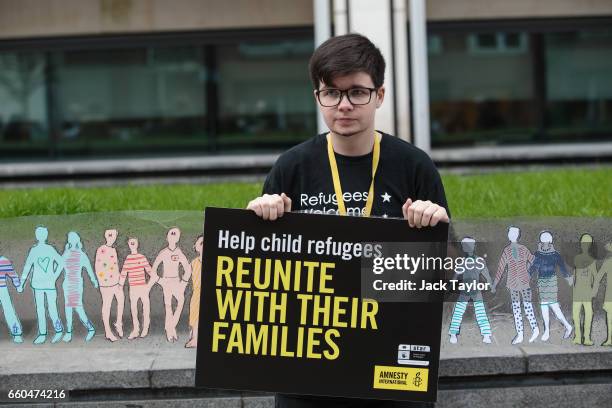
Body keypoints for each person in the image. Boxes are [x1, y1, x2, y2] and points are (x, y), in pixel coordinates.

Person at [246, 33, 449, 408]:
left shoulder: (413, 165)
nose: (344, 105)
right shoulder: (292, 167)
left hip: (389, 364)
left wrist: (438, 228)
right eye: (332, 93)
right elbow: (263, 278)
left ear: (380, 95)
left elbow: (440, 277)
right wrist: (259, 225)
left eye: (357, 92)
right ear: (317, 97)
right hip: (307, 369)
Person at [491, 226, 539, 344]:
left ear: (517, 235)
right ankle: (520, 334)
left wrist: (528, 271)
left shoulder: (523, 249)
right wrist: (495, 284)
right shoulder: (507, 251)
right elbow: (501, 268)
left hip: (523, 282)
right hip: (513, 283)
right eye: (510, 233)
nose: (511, 235)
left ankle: (535, 329)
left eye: (513, 233)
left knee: (527, 307)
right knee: (517, 309)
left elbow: (534, 261)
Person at [19, 226, 64, 344]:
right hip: (37, 285)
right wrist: (22, 282)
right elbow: (28, 267)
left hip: (49, 284)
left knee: (52, 308)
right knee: (40, 309)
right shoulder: (34, 250)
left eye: (41, 234)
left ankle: (58, 330)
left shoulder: (50, 249)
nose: (40, 236)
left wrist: (54, 276)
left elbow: (61, 262)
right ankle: (42, 333)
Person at [528, 231, 573, 342]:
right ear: (541, 242)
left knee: (552, 306)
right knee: (546, 305)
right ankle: (549, 330)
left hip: (551, 282)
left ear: (550, 242)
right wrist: (526, 276)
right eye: (544, 242)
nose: (545, 244)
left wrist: (568, 278)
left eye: (547, 242)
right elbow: (533, 268)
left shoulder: (555, 255)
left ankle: (564, 327)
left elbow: (562, 268)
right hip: (541, 282)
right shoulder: (537, 254)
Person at [151, 227, 192, 343]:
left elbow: (188, 269)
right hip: (166, 282)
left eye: (175, 235)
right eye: (171, 234)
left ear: (178, 238)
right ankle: (170, 332)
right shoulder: (163, 253)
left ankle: (170, 326)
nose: (173, 236)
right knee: (168, 307)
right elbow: (153, 270)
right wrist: (160, 280)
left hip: (176, 282)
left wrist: (183, 283)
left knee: (181, 301)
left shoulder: (179, 253)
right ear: (167, 237)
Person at [60, 231, 98, 342]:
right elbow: (59, 269)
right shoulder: (65, 254)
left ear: (77, 240)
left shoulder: (81, 255)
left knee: (78, 307)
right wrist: (51, 278)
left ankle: (90, 328)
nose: (71, 240)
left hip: (76, 284)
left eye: (73, 238)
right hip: (67, 284)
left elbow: (89, 269)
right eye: (69, 238)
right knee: (68, 307)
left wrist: (94, 280)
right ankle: (68, 332)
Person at [119, 237, 157, 339]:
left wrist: (148, 286)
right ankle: (136, 329)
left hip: (142, 287)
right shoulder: (128, 258)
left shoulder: (141, 257)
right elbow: (123, 273)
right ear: (128, 245)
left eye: (134, 242)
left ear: (137, 244)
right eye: (130, 243)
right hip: (133, 288)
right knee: (134, 308)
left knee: (145, 307)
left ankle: (145, 328)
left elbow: (151, 273)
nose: (132, 244)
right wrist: (120, 285)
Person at [95, 229, 125, 342]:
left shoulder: (113, 250)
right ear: (106, 236)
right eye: (110, 235)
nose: (112, 238)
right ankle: (107, 331)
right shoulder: (101, 249)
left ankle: (118, 322)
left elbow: (115, 266)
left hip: (116, 282)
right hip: (106, 284)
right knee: (107, 305)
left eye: (114, 235)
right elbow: (98, 267)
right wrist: (102, 281)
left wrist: (119, 280)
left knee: (121, 300)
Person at [185, 234, 203, 348]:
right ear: (195, 247)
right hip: (197, 294)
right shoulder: (193, 263)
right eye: (201, 243)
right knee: (196, 317)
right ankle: (195, 338)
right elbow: (185, 279)